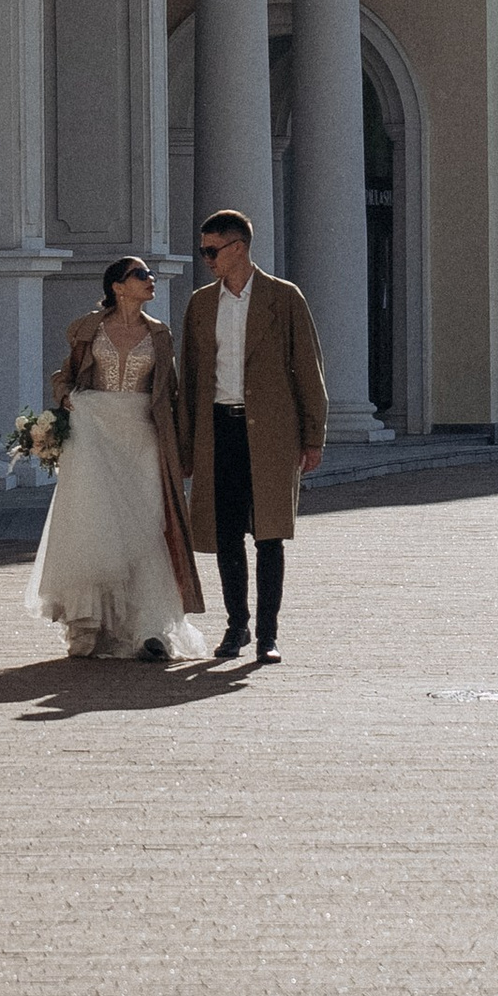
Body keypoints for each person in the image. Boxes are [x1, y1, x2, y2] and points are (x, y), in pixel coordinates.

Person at [27, 255, 211, 664]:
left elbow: (172, 394)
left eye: (149, 276)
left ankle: (150, 629)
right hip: (95, 437)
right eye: (141, 275)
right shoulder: (88, 328)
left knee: (148, 525)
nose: (151, 281)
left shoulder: (160, 334)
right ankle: (91, 626)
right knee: (97, 526)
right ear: (118, 286)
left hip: (143, 438)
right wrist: (67, 400)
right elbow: (63, 377)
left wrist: (181, 448)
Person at [175, 210, 328, 665]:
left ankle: (267, 633)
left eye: (212, 250)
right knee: (225, 535)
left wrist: (312, 436)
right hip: (218, 427)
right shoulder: (201, 304)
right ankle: (236, 626)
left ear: (238, 248)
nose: (207, 259)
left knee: (269, 534)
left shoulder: (284, 298)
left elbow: (309, 369)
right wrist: (187, 446)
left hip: (272, 433)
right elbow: (191, 377)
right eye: (204, 251)